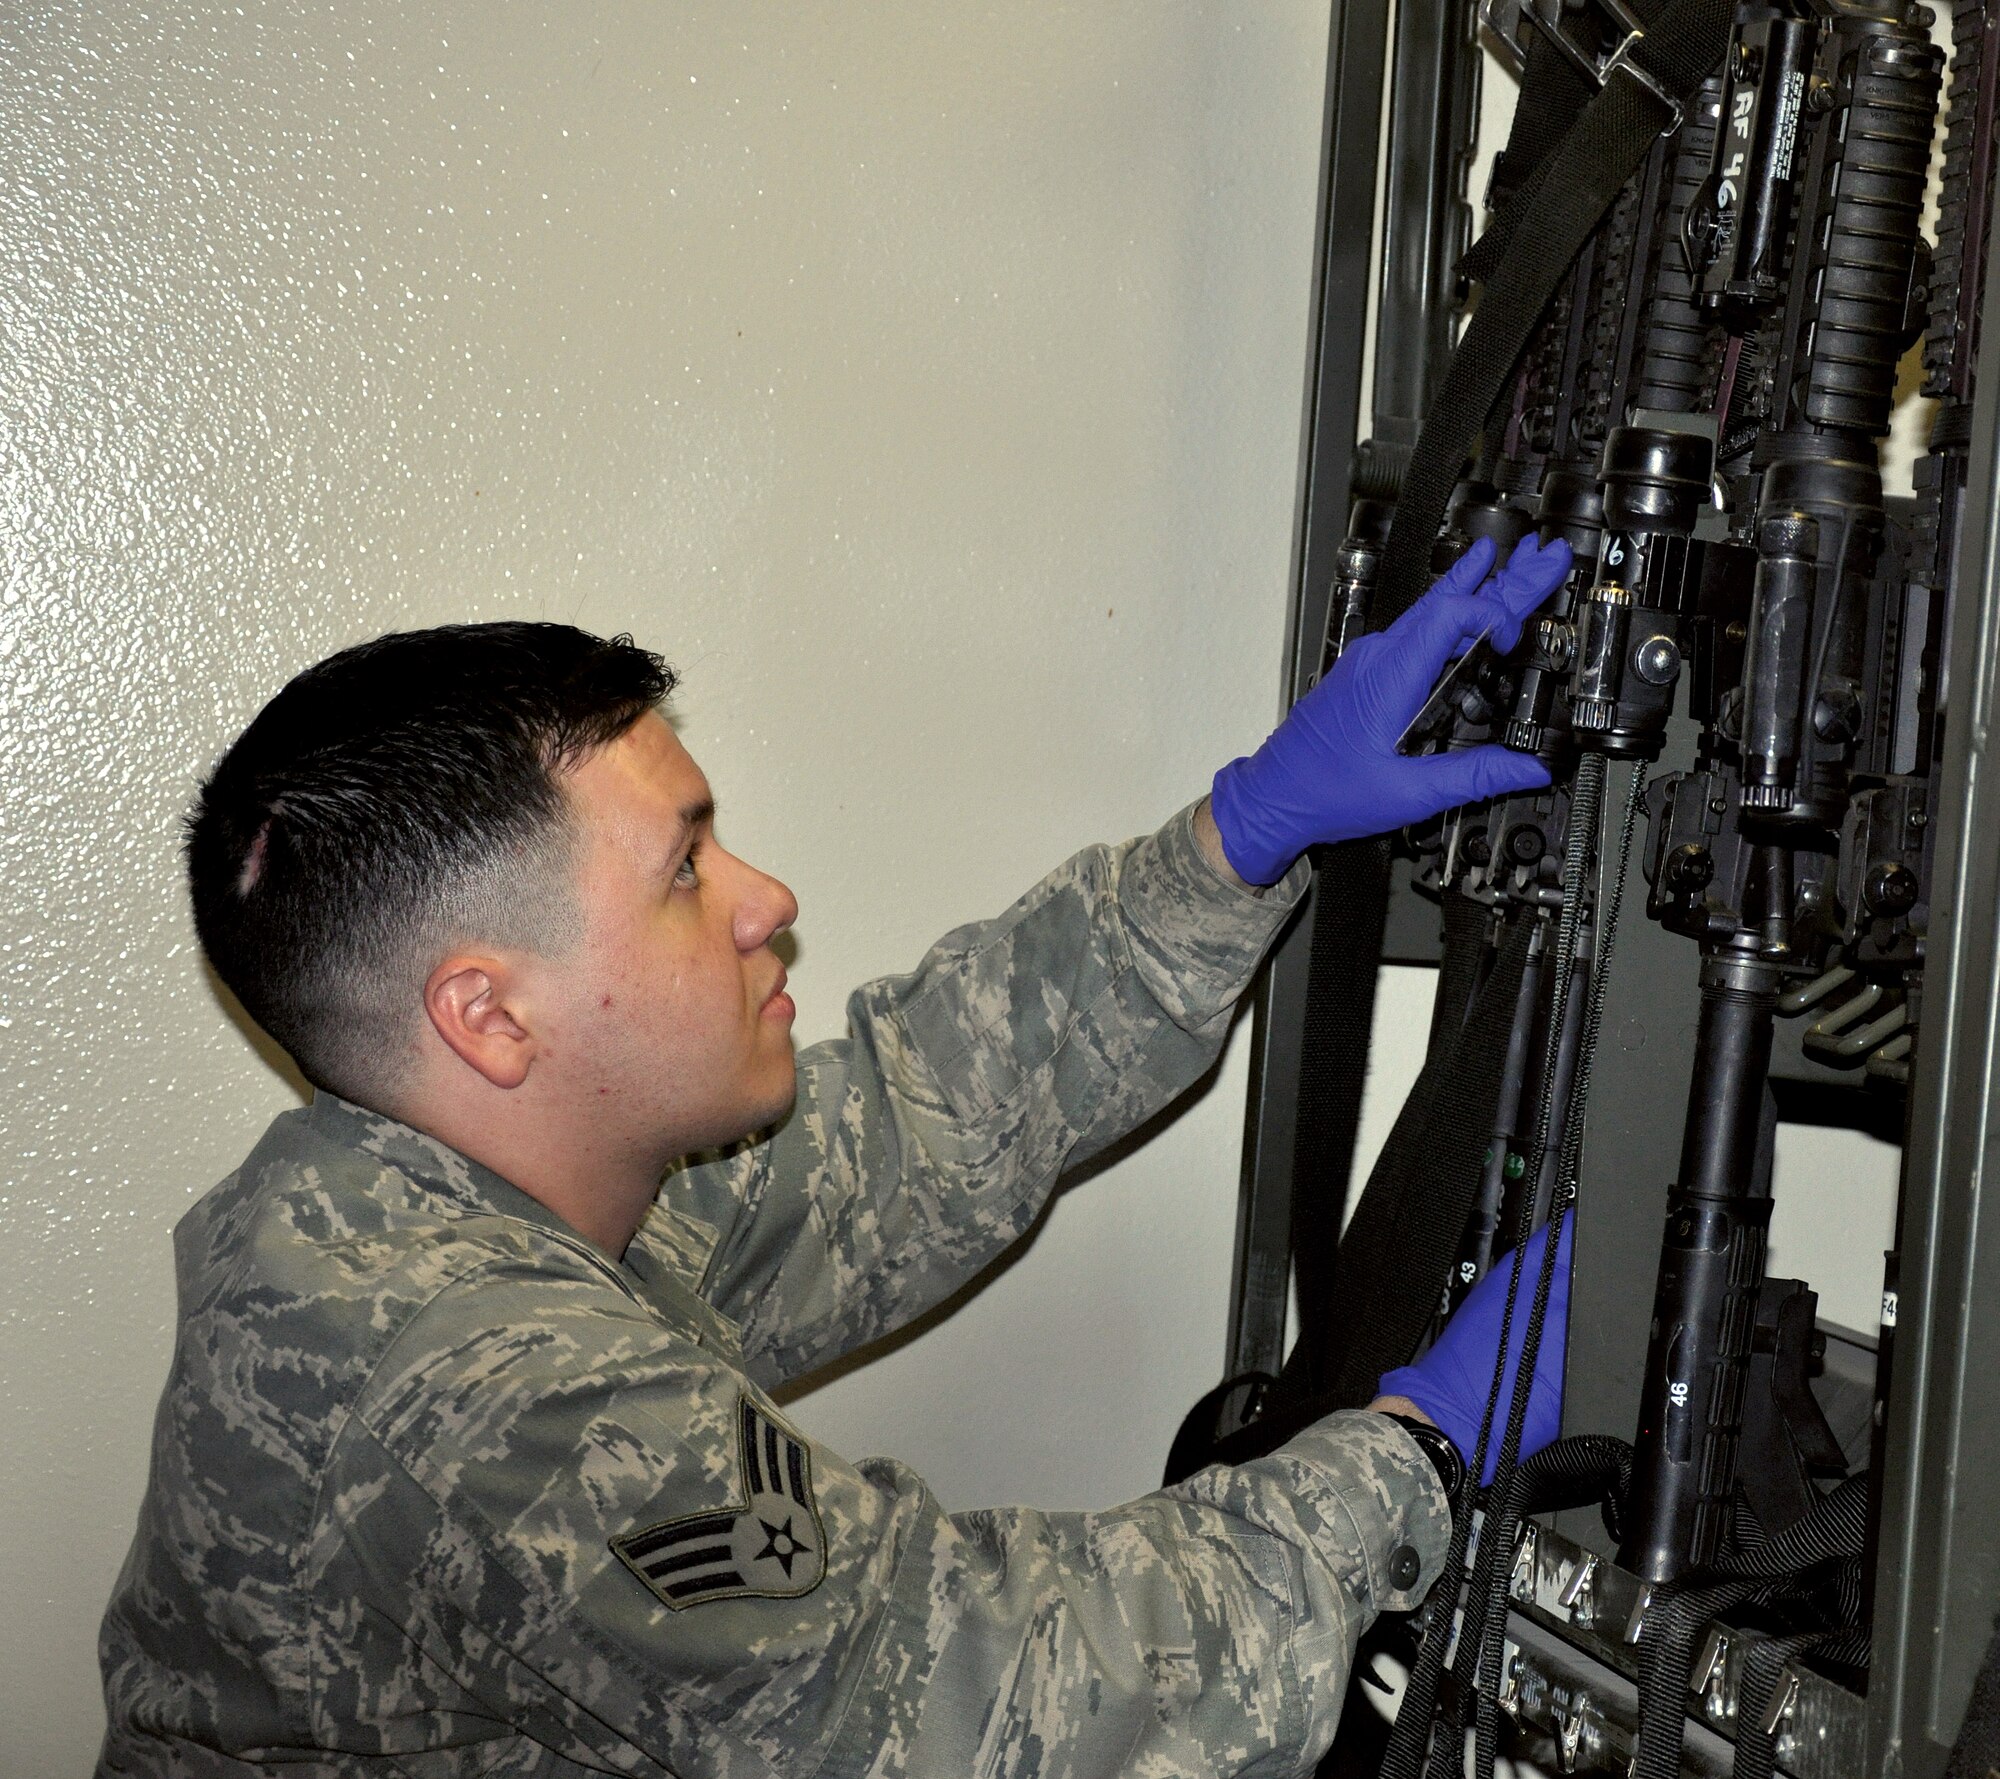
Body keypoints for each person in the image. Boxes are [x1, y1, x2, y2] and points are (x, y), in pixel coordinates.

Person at [97, 534, 1574, 1777]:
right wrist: (1421, 1456)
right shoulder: (482, 1393)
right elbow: (992, 1701)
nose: (764, 899)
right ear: (490, 1014)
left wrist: (1242, 833)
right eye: (683, 870)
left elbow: (904, 1127)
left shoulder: (423, 1189)